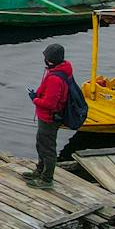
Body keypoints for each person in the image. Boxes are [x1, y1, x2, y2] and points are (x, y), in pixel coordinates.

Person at [28, 43, 76, 187]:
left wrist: (35, 99)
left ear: (50, 59)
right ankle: (40, 170)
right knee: (41, 143)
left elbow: (50, 104)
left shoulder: (55, 78)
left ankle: (46, 179)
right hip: (47, 117)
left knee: (47, 148)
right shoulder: (60, 70)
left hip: (49, 118)